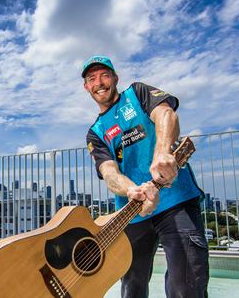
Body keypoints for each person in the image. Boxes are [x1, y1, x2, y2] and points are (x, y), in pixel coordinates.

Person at [82, 55, 209, 298]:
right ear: (86, 87)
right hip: (132, 214)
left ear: (115, 78)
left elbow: (166, 114)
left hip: (176, 202)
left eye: (104, 75)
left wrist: (162, 153)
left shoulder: (137, 93)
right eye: (92, 79)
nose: (99, 82)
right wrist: (132, 190)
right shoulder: (95, 133)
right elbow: (109, 172)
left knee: (186, 286)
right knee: (132, 288)